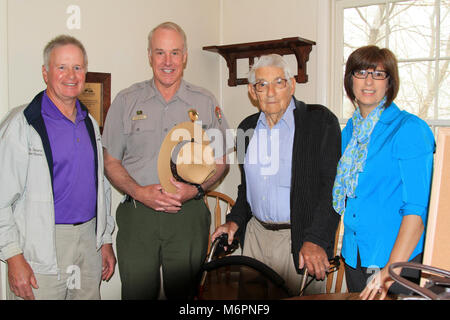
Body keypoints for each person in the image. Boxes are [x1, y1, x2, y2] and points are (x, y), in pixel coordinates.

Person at [102, 21, 230, 300]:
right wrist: (138, 192)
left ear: (185, 56)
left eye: (175, 53)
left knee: (185, 296)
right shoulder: (126, 101)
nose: (168, 61)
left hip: (188, 215)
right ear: (149, 55)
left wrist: (195, 190)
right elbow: (110, 161)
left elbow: (221, 160)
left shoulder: (206, 101)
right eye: (160, 53)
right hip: (138, 215)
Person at [211, 54, 341, 296]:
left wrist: (316, 239)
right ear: (252, 91)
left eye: (278, 82)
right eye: (262, 84)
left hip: (301, 239)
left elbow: (333, 187)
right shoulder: (245, 128)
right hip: (255, 238)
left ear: (291, 85)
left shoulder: (319, 121)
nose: (270, 92)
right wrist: (235, 220)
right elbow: (246, 188)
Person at [0, 35, 116, 300]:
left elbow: (101, 187)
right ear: (45, 72)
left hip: (89, 243)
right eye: (61, 67)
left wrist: (105, 239)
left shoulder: (89, 123)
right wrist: (13, 256)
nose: (71, 75)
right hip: (41, 248)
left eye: (77, 67)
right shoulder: (22, 124)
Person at [332, 45, 435, 300]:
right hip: (356, 256)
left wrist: (391, 270)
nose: (368, 81)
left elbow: (418, 209)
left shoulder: (410, 129)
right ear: (350, 80)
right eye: (361, 72)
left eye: (378, 74)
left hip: (398, 263)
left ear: (389, 83)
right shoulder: (351, 132)